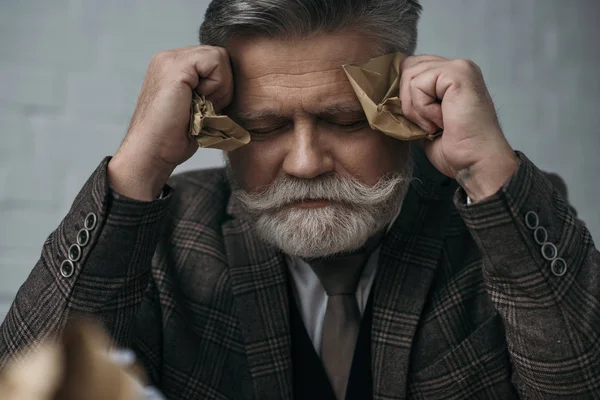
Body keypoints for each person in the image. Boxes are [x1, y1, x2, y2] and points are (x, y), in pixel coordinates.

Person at [1, 0, 599, 398]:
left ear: (408, 113)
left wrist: (488, 170)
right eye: (262, 129)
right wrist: (137, 168)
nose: (306, 163)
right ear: (213, 126)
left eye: (344, 120)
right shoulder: (161, 233)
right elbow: (31, 384)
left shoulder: (503, 221)